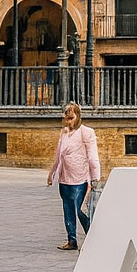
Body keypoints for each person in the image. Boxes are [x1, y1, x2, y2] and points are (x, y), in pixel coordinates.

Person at [47, 103, 100, 251]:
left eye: (71, 117)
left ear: (77, 116)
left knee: (79, 209)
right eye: (66, 118)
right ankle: (72, 240)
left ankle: (92, 237)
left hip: (80, 177)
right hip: (64, 177)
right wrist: (52, 173)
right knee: (68, 209)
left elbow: (92, 156)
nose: (68, 121)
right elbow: (59, 155)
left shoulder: (86, 132)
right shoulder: (64, 133)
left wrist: (95, 177)